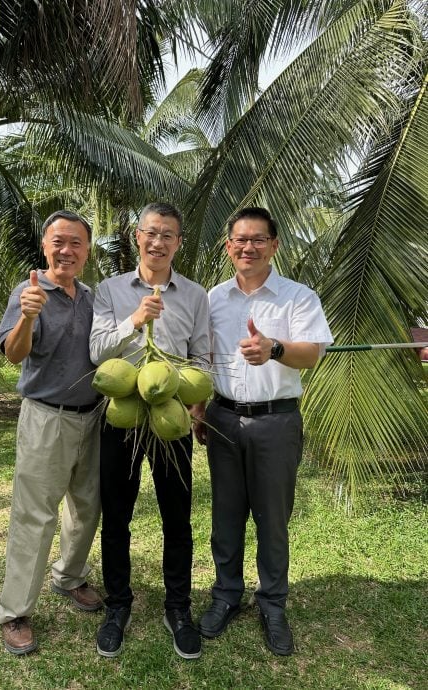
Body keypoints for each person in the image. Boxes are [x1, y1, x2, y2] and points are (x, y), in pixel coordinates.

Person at [196, 207, 332, 656]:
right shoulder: (212, 298)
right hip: (223, 418)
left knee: (273, 520)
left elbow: (311, 353)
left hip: (277, 420)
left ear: (274, 245)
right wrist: (199, 408)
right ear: (228, 246)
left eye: (258, 239)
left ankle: (272, 603)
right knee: (226, 514)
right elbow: (204, 359)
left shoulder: (297, 296)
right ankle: (226, 596)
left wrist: (273, 348)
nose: (247, 247)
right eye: (239, 239)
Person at [89, 202, 210, 660]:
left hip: (170, 413)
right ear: (137, 236)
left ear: (178, 242)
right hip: (121, 413)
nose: (158, 241)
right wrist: (134, 321)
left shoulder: (195, 295)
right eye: (151, 232)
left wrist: (197, 405)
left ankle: (178, 608)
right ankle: (118, 606)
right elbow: (98, 352)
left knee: (177, 516)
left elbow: (200, 357)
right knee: (116, 516)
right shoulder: (111, 290)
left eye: (168, 235)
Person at [0, 210, 103, 655]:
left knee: (86, 506)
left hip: (94, 416)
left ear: (86, 250)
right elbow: (12, 353)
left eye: (76, 242)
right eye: (58, 241)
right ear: (45, 246)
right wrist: (26, 317)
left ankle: (70, 576)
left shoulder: (91, 296)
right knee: (34, 515)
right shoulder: (30, 291)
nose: (67, 250)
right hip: (46, 417)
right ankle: (15, 612)